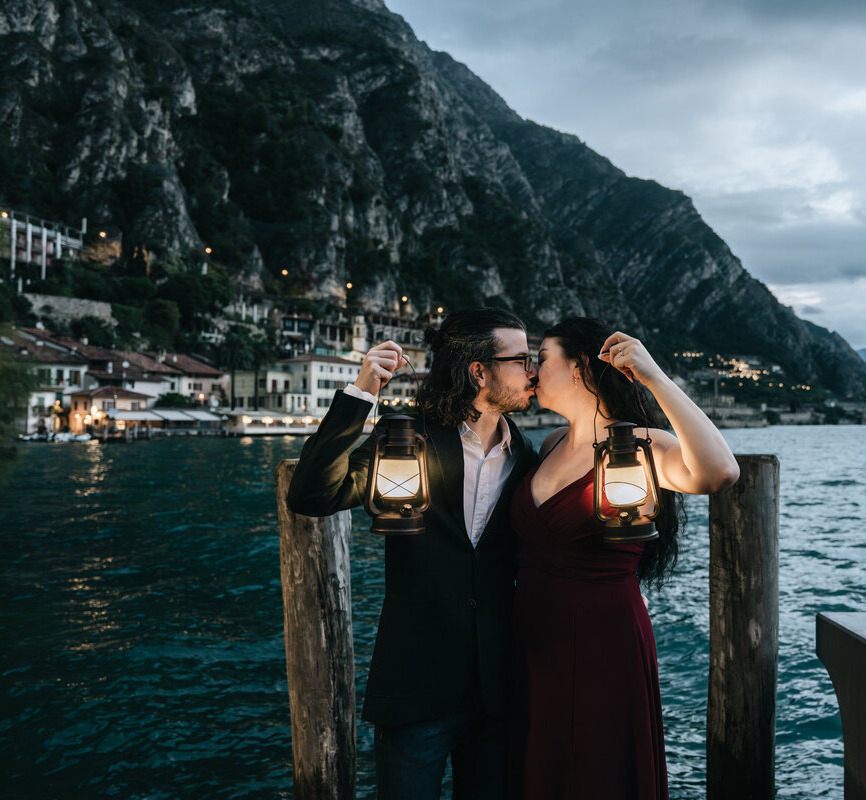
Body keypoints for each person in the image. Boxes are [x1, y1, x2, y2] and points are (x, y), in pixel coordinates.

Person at [286, 307, 539, 800]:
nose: (532, 371)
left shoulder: (527, 455)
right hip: (415, 686)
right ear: (479, 371)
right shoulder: (407, 438)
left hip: (496, 693)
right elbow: (312, 495)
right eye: (521, 359)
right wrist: (361, 395)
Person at [507, 317, 739, 800]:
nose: (531, 371)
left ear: (579, 368)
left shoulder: (640, 447)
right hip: (532, 639)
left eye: (542, 359)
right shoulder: (549, 444)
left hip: (602, 639)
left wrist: (653, 376)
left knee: (600, 767)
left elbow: (719, 472)